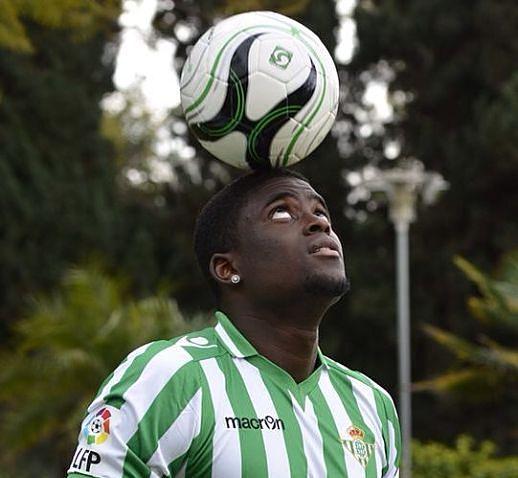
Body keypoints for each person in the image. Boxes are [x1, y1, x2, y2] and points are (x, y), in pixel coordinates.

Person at [67, 168, 401, 478]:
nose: (319, 224)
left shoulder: (371, 403)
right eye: (281, 213)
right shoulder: (172, 377)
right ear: (227, 268)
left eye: (321, 212)